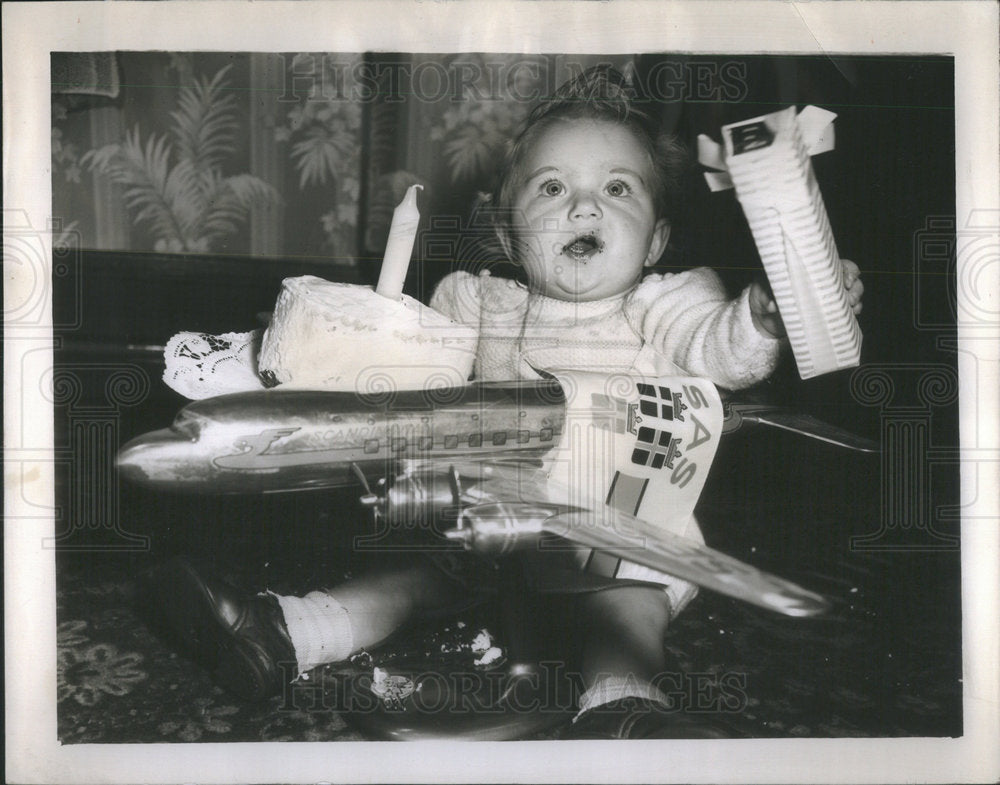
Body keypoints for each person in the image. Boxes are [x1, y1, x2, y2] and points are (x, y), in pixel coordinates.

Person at [148, 66, 863, 739]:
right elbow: (413, 377)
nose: (584, 203)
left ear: (655, 242)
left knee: (628, 606)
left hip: (617, 538)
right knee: (411, 576)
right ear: (506, 232)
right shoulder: (480, 302)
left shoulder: (665, 302)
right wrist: (367, 347)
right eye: (552, 188)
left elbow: (718, 350)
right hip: (494, 536)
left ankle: (621, 710)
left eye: (619, 189)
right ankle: (284, 633)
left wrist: (764, 318)